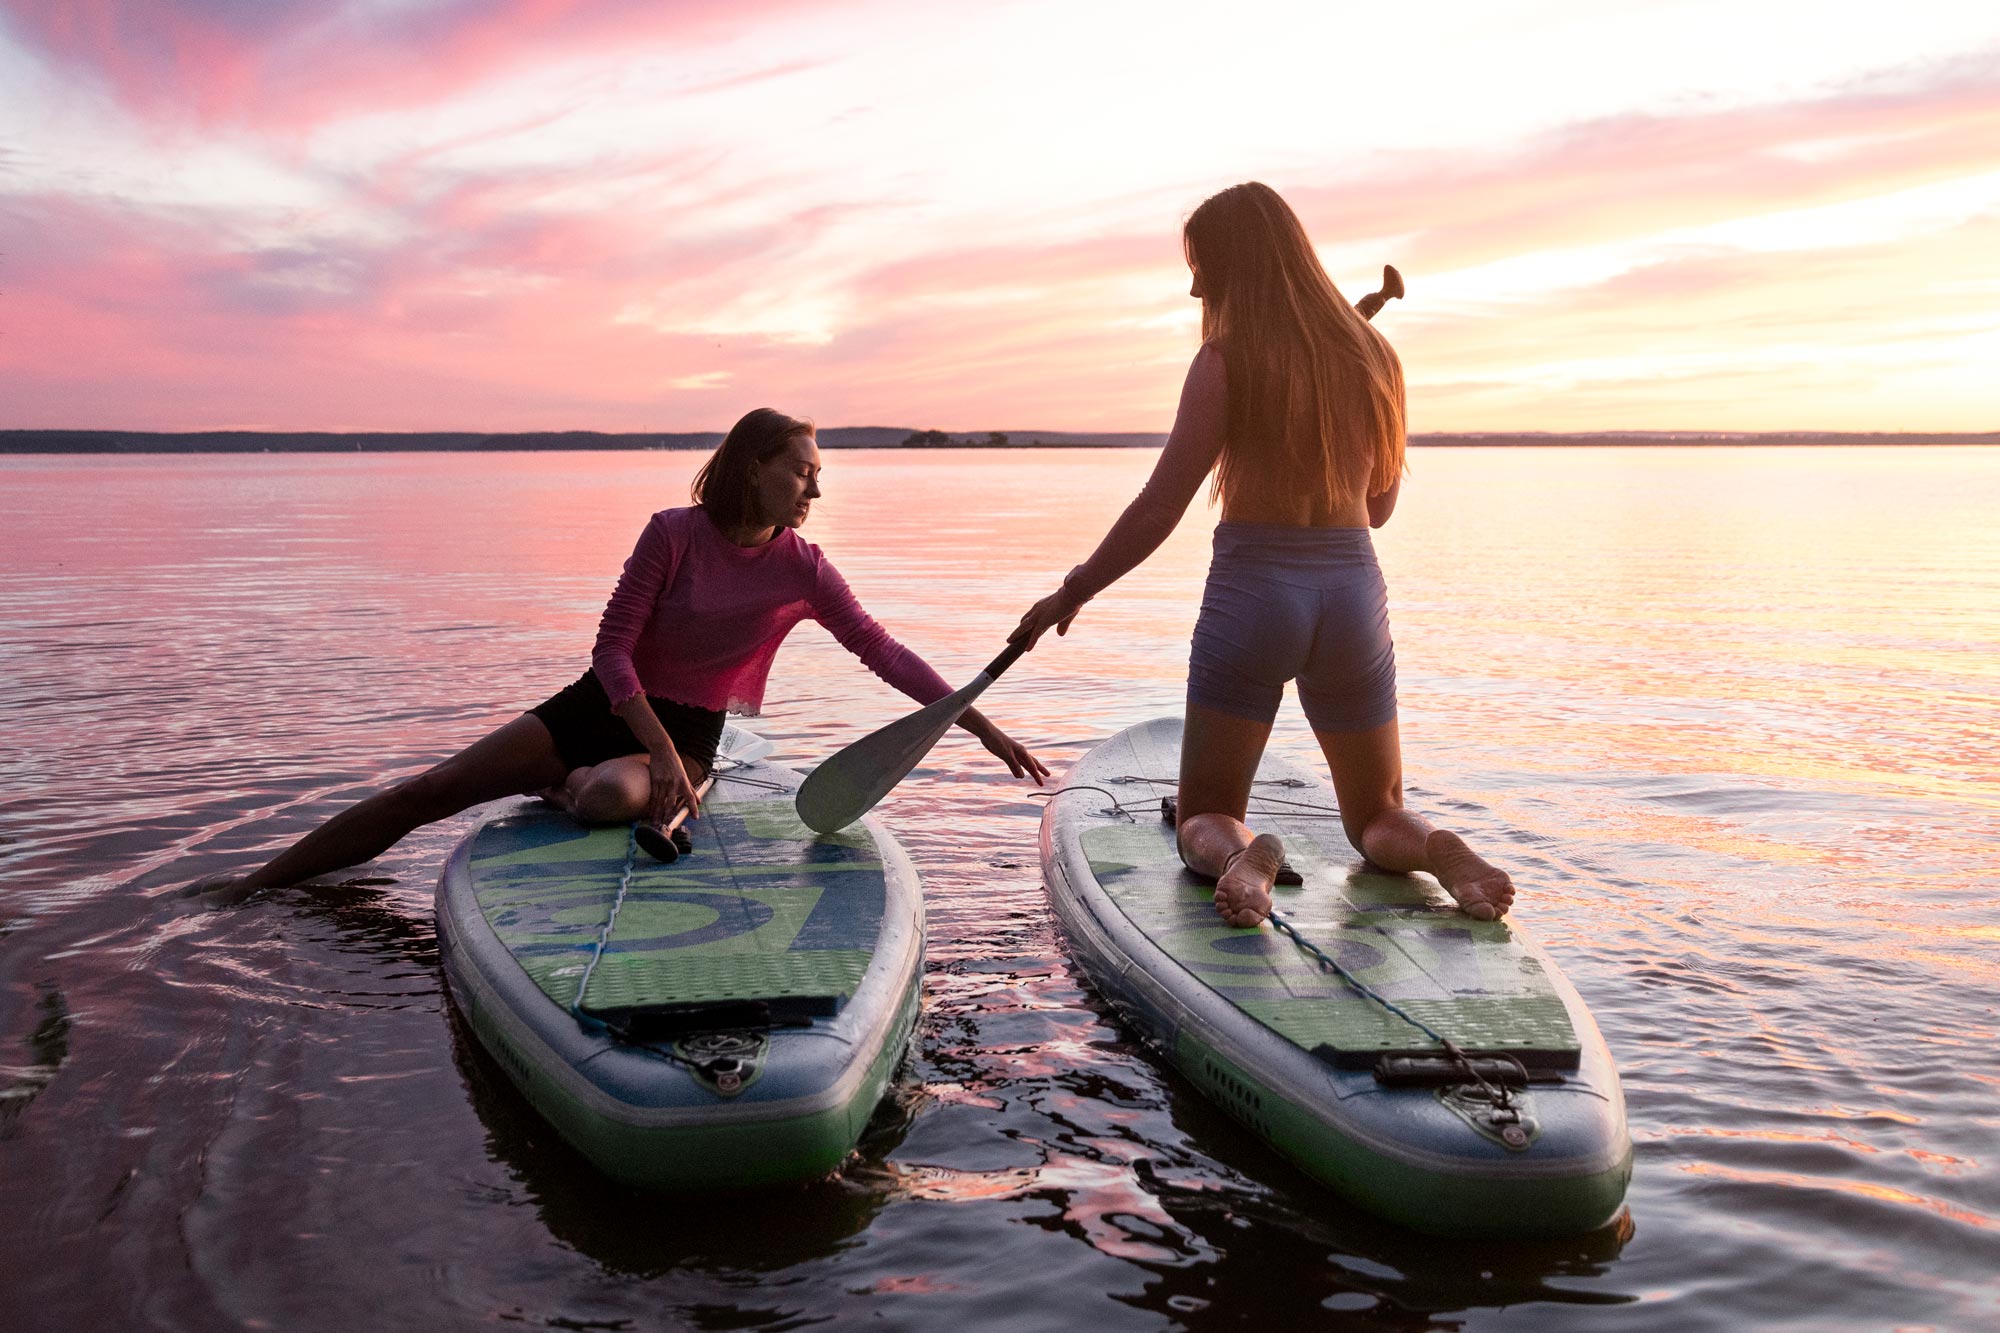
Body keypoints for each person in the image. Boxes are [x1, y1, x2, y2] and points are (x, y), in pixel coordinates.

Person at [240, 408, 1047, 890]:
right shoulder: (673, 533)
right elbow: (611, 651)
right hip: (602, 708)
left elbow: (882, 649)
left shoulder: (804, 569)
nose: (815, 490)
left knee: (604, 802)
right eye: (802, 472)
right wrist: (651, 747)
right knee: (432, 789)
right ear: (756, 466)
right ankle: (257, 883)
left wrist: (977, 724)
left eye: (818, 475)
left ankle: (564, 788)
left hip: (692, 732)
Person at [1011, 182, 1513, 929]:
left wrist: (1075, 589)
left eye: (1200, 267)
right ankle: (1442, 849)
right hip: (1351, 593)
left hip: (1255, 592)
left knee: (1206, 812)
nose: (1192, 286)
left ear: (1232, 266)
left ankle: (1242, 855)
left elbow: (1161, 502)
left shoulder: (1224, 359)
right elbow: (1377, 507)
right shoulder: (1376, 355)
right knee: (1376, 813)